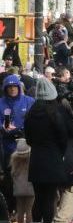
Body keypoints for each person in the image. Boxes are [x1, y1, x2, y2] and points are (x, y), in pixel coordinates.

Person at [24, 78, 70, 223]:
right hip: (53, 157)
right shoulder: (55, 113)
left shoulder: (31, 113)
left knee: (38, 196)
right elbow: (63, 137)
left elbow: (28, 138)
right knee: (50, 197)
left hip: (36, 158)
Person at [2, 74, 34, 211]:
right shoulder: (1, 103)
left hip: (26, 146)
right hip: (8, 146)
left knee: (27, 178)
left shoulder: (29, 101)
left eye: (15, 87)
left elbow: (35, 120)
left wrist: (23, 130)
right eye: (9, 87)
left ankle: (29, 208)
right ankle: (12, 207)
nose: (12, 89)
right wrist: (3, 127)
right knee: (10, 177)